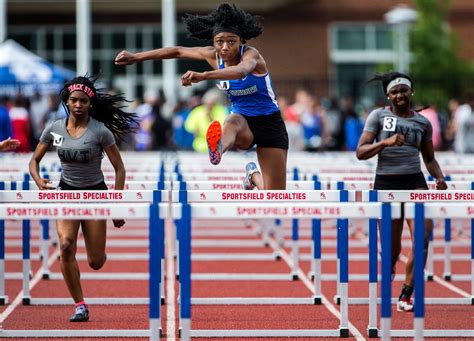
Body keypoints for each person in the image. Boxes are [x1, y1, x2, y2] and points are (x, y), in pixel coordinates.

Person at [115, 3, 289, 190]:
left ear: (241, 41)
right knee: (232, 121)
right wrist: (136, 57)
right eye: (219, 41)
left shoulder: (251, 55)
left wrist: (204, 75)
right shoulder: (213, 56)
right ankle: (217, 148)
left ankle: (253, 176)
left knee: (274, 195)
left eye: (231, 41)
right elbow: (177, 51)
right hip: (243, 120)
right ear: (213, 41)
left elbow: (240, 71)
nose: (224, 47)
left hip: (270, 123)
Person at [29, 76, 137, 322]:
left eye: (83, 101)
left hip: (95, 194)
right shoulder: (54, 128)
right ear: (67, 102)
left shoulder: (100, 130)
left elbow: (119, 169)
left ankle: (98, 250)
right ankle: (80, 305)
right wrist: (38, 180)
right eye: (74, 100)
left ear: (90, 104)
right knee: (66, 246)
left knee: (95, 261)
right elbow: (34, 161)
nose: (78, 105)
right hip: (66, 192)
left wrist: (114, 206)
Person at [356, 72, 447, 312]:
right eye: (394, 92)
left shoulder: (422, 122)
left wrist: (439, 177)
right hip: (386, 185)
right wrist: (385, 143)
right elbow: (360, 151)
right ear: (388, 95)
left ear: (411, 92)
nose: (399, 95)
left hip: (414, 183)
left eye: (403, 90)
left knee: (422, 236)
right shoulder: (377, 116)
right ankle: (391, 266)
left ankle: (406, 293)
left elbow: (429, 158)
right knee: (391, 250)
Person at [184, 88, 228, 153]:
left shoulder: (221, 110)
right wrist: (195, 129)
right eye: (207, 103)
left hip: (217, 147)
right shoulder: (197, 111)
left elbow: (223, 126)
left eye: (212, 103)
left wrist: (211, 118)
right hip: (199, 146)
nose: (209, 105)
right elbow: (188, 125)